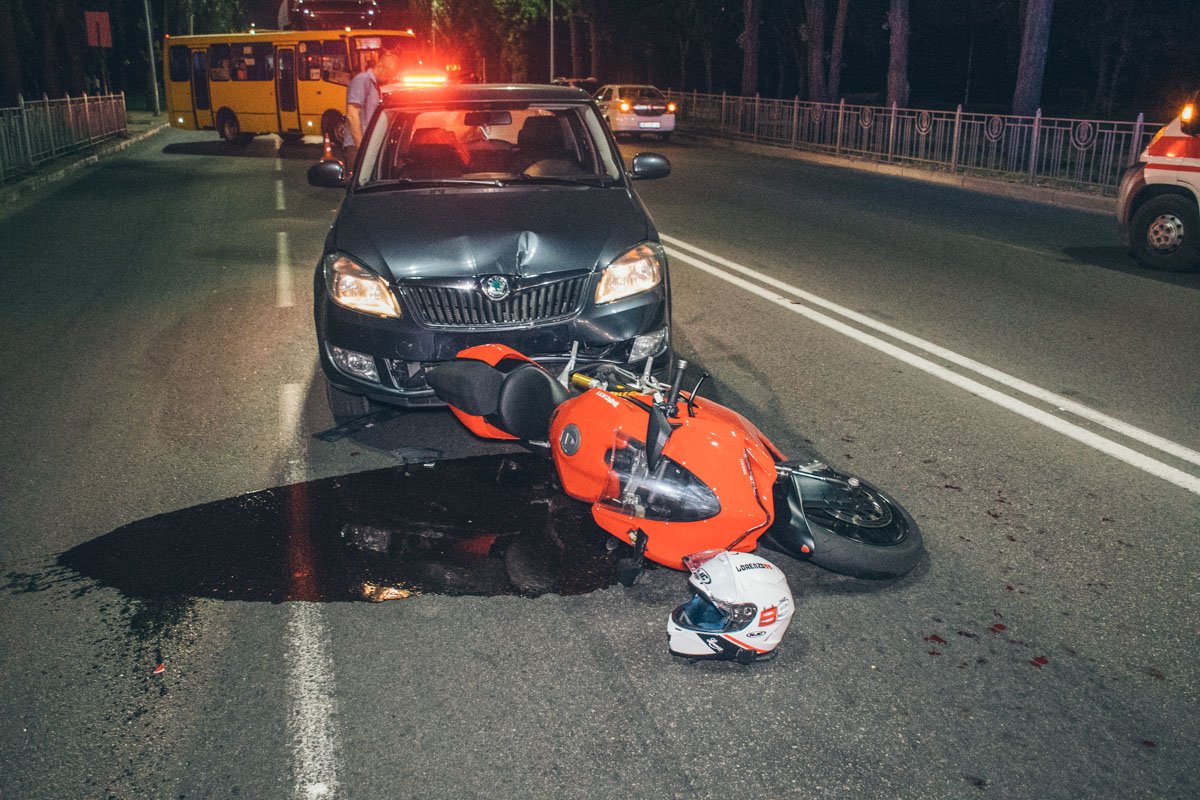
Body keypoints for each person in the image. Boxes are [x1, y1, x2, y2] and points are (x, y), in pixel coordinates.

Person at [342, 50, 403, 169]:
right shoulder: (362, 80)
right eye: (388, 75)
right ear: (379, 67)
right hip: (357, 147)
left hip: (367, 146)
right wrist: (361, 146)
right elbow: (352, 114)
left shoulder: (375, 85)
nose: (388, 79)